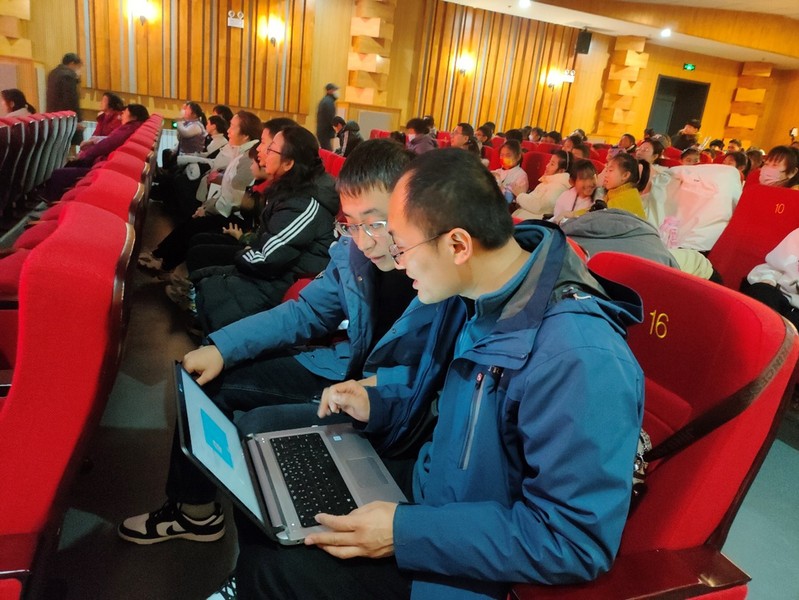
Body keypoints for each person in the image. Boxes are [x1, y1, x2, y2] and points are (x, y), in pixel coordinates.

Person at [233, 148, 644, 600]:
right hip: (435, 490)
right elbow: (453, 408)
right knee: (273, 488)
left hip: (468, 545)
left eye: (403, 246)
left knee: (273, 568)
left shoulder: (578, 355)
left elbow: (573, 541)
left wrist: (404, 533)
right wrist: (380, 400)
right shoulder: (477, 294)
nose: (397, 260)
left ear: (457, 245)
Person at [118, 139, 456, 546]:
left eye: (375, 223)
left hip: (387, 400)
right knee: (207, 377)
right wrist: (223, 347)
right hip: (342, 369)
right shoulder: (354, 253)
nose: (364, 240)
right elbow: (306, 312)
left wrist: (378, 388)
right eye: (351, 223)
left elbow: (438, 377)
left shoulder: (442, 275)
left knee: (252, 425)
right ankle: (195, 512)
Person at [192, 125, 341, 332]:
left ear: (288, 163)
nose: (262, 151)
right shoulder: (291, 189)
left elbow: (267, 259)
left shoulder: (305, 203)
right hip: (271, 274)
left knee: (208, 281)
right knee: (203, 275)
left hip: (280, 285)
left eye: (270, 148)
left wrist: (245, 251)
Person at [137, 111, 262, 273]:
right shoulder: (241, 153)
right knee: (191, 221)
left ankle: (163, 262)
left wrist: (207, 209)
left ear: (245, 135)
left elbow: (233, 199)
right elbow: (228, 190)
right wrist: (206, 207)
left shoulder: (248, 159)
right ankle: (160, 257)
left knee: (195, 226)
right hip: (223, 208)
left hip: (232, 215)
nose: (228, 130)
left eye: (232, 127)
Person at [513, 149, 571, 219]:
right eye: (549, 162)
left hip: (531, 222)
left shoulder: (559, 188)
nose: (547, 166)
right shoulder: (548, 181)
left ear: (561, 171)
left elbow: (539, 207)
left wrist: (520, 195)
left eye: (552, 164)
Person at [46, 52, 83, 145]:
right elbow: (71, 100)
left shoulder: (52, 74)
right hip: (66, 120)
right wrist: (76, 121)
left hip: (53, 117)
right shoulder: (68, 76)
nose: (78, 70)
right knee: (70, 149)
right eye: (78, 66)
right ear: (72, 63)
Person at [598, 152, 648, 219]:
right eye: (606, 170)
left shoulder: (627, 198)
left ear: (625, 175)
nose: (606, 175)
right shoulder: (616, 192)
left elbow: (598, 215)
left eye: (610, 170)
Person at [550, 159, 598, 223]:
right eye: (583, 179)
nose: (589, 183)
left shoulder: (599, 198)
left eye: (592, 178)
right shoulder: (565, 197)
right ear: (572, 182)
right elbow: (556, 219)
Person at [316, 83, 339, 151]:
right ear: (330, 91)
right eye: (335, 90)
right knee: (328, 153)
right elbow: (330, 118)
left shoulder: (326, 101)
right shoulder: (328, 102)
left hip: (323, 132)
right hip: (325, 132)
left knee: (326, 151)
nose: (336, 92)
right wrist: (336, 128)